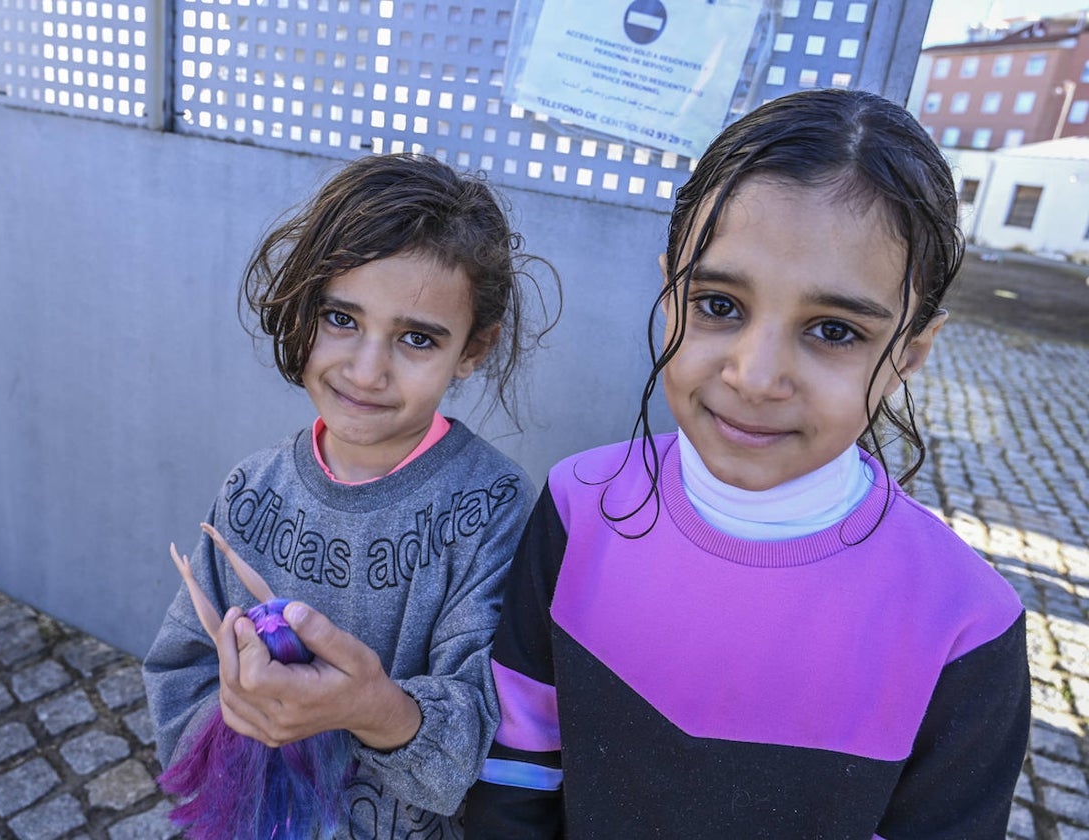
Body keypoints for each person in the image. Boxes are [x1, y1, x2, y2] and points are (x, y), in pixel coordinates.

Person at [464, 88, 1030, 838]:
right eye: (720, 305)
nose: (756, 376)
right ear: (670, 296)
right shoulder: (578, 506)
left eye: (833, 330)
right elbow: (517, 766)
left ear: (909, 355)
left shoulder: (967, 629)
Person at [143, 152, 558, 839]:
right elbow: (178, 672)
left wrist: (374, 708)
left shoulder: (491, 507)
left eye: (417, 338)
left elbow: (484, 741)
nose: (367, 370)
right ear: (305, 305)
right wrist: (239, 712)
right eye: (341, 319)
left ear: (474, 350)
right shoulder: (250, 493)